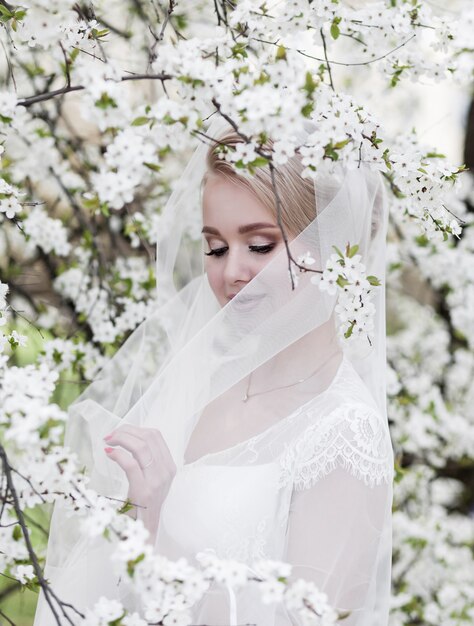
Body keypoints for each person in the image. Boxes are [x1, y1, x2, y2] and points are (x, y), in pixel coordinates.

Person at [34, 118, 394, 625]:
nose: (231, 274)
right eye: (217, 248)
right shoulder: (204, 377)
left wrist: (159, 518)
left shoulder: (345, 432)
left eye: (261, 245)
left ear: (334, 247)